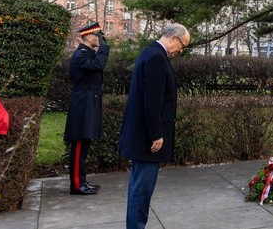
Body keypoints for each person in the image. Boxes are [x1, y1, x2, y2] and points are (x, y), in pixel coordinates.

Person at [119, 23, 190, 229]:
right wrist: (156, 134)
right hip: (147, 140)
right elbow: (153, 101)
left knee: (138, 188)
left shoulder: (150, 53)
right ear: (174, 38)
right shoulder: (157, 58)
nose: (180, 51)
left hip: (141, 136)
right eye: (182, 46)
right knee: (142, 190)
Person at [63, 22, 110, 196]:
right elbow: (98, 65)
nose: (100, 39)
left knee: (84, 145)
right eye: (98, 36)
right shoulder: (80, 55)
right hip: (82, 103)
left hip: (87, 101)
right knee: (79, 146)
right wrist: (104, 48)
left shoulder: (88, 54)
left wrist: (101, 48)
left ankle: (81, 181)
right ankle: (77, 185)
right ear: (89, 37)